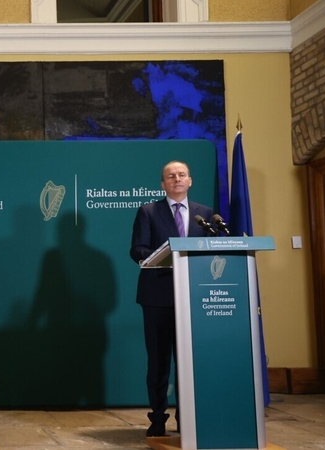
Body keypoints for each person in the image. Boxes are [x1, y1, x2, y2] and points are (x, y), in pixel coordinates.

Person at [129, 160, 213, 437]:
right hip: (157, 297)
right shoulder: (148, 211)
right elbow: (137, 249)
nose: (176, 179)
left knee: (190, 361)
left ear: (190, 181)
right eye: (170, 176)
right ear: (163, 184)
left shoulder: (206, 215)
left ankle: (187, 417)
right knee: (159, 362)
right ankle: (157, 419)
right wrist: (164, 252)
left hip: (194, 295)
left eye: (182, 175)